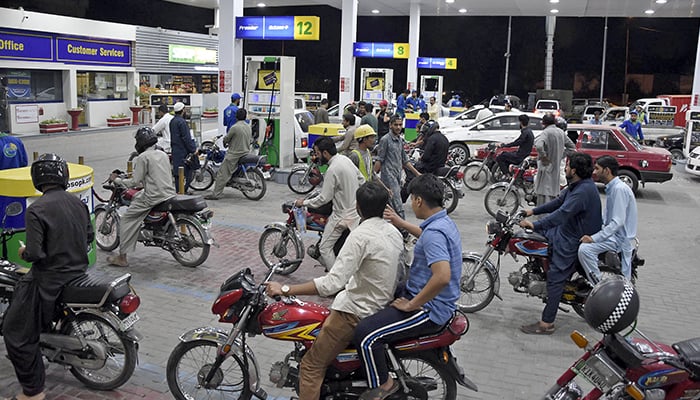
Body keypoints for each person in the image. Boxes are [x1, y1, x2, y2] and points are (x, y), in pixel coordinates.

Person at [265, 181, 403, 400]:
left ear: (357, 206)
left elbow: (331, 284)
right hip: (379, 304)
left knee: (310, 365)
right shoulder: (393, 232)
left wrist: (285, 288)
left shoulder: (359, 237)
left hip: (353, 313)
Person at [353, 174, 462, 400]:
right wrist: (401, 223)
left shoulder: (435, 233)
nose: (411, 204)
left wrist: (412, 304)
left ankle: (382, 386)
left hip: (430, 309)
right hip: (424, 294)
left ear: (419, 200)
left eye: (412, 199)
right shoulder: (443, 223)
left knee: (366, 334)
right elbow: (427, 237)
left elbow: (442, 276)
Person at [4, 153, 94, 400]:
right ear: (63, 175)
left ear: (37, 178)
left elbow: (34, 253)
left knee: (14, 333)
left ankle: (32, 393)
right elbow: (89, 237)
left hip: (47, 280)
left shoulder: (37, 209)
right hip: (77, 273)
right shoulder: (79, 204)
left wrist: (23, 251)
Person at [518, 152, 601, 334]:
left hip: (572, 238)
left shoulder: (582, 191)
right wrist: (532, 211)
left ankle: (547, 324)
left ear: (575, 170)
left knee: (555, 279)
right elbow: (557, 203)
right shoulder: (577, 186)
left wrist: (535, 224)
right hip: (565, 231)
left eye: (568, 166)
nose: (565, 168)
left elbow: (561, 213)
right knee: (536, 237)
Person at [106, 127, 176, 267]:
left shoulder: (143, 157)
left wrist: (117, 180)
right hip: (168, 192)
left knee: (127, 219)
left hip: (153, 196)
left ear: (140, 142)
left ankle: (122, 257)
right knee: (138, 195)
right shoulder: (162, 154)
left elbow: (134, 182)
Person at [296, 137, 364, 269]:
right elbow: (361, 180)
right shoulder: (346, 160)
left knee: (324, 248)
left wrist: (304, 202)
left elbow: (323, 198)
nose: (316, 156)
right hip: (354, 213)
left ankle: (335, 279)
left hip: (341, 217)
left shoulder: (332, 169)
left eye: (317, 153)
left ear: (325, 153)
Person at [578, 155, 637, 282]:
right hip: (614, 236)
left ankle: (598, 286)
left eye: (597, 169)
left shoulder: (619, 189)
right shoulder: (613, 188)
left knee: (585, 250)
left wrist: (594, 238)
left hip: (618, 239)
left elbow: (617, 222)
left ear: (607, 171)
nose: (594, 172)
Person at [374, 115, 421, 220]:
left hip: (398, 176)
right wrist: (373, 175)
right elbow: (379, 159)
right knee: (398, 204)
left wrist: (416, 173)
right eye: (396, 125)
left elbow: (405, 160)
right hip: (388, 177)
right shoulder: (385, 140)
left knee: (389, 205)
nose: (398, 127)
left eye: (400, 125)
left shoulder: (400, 140)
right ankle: (403, 230)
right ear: (390, 125)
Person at [205, 108, 253, 200]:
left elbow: (226, 139)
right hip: (246, 152)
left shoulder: (235, 127)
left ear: (236, 117)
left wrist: (225, 143)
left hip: (235, 154)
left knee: (221, 174)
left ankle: (216, 194)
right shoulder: (248, 127)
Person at [401, 120, 448, 202]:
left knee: (410, 174)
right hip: (439, 165)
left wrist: (420, 158)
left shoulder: (432, 139)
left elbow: (426, 157)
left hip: (430, 166)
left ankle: (402, 198)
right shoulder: (444, 138)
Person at [534, 113, 567, 205]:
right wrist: (561, 155)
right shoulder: (561, 133)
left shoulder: (547, 133)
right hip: (556, 172)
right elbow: (572, 148)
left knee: (543, 194)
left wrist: (544, 156)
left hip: (547, 169)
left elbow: (539, 146)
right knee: (552, 195)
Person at [169, 101, 198, 193]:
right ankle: (183, 190)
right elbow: (186, 138)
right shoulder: (182, 122)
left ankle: (179, 190)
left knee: (178, 172)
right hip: (183, 151)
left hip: (175, 149)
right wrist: (193, 149)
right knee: (187, 172)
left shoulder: (172, 121)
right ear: (183, 110)